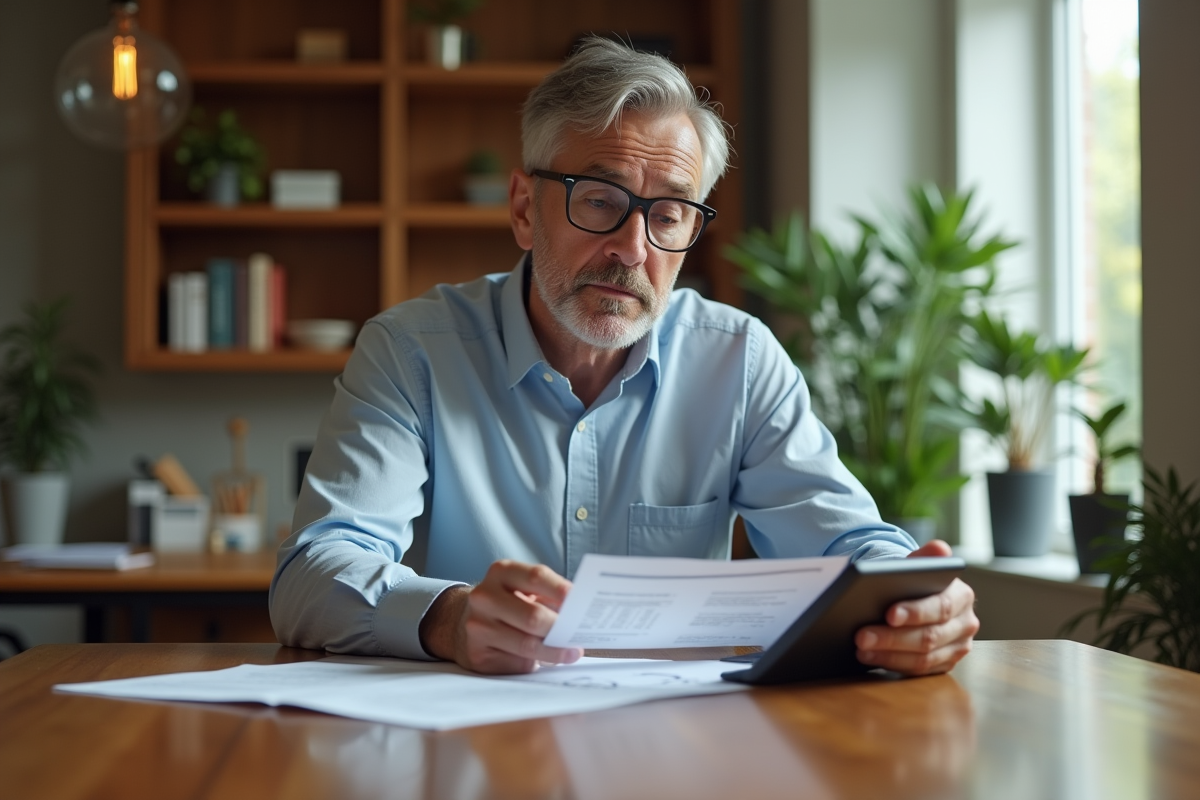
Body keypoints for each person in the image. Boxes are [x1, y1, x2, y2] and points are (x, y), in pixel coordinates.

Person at [270, 37, 979, 676]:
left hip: (681, 753)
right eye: (601, 201)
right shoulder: (411, 352)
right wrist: (447, 617)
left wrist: (916, 603)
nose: (633, 250)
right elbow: (311, 576)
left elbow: (848, 544)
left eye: (668, 214)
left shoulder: (738, 362)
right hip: (476, 747)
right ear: (523, 209)